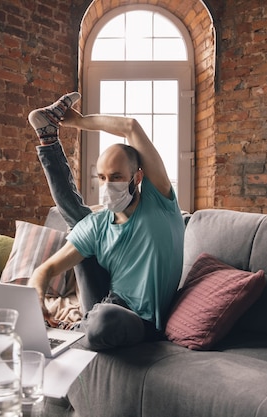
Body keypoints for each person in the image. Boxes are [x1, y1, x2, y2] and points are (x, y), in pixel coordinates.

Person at [27, 92, 185, 351]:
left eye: (116, 177)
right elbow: (44, 270)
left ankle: (76, 331)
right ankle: (47, 138)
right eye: (101, 177)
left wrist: (78, 122)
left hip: (137, 321)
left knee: (106, 319)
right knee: (81, 224)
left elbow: (131, 127)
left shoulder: (160, 204)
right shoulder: (98, 224)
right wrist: (36, 298)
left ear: (137, 177)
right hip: (102, 303)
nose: (107, 185)